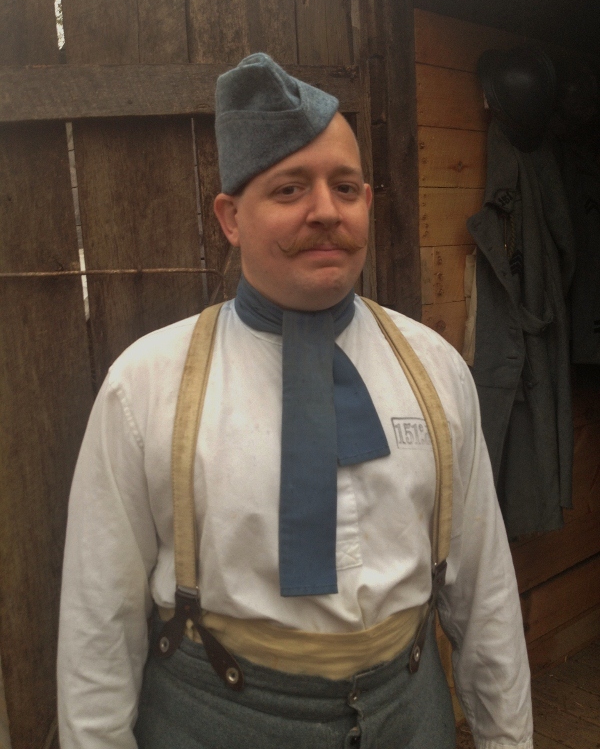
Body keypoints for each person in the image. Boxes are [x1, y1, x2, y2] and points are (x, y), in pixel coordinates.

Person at [57, 53, 533, 749]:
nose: (324, 212)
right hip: (214, 722)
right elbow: (98, 627)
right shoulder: (146, 385)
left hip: (413, 716)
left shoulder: (435, 371)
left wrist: (507, 740)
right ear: (230, 217)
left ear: (368, 202)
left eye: (345, 187)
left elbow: (485, 593)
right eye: (288, 189)